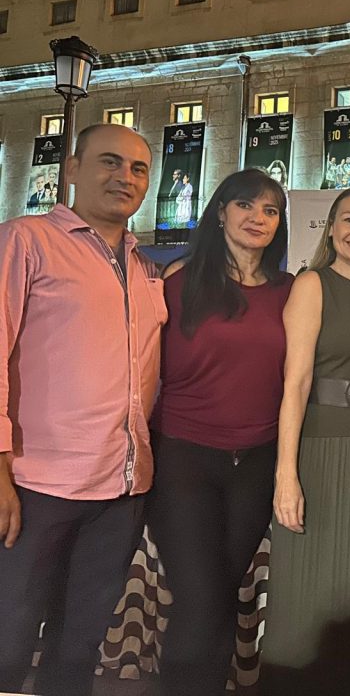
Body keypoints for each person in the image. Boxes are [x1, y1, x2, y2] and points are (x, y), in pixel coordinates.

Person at [0, 124, 164, 696]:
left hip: (121, 489)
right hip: (36, 484)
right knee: (8, 638)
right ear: (71, 169)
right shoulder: (25, 240)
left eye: (138, 168)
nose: (125, 177)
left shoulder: (145, 267)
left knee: (79, 646)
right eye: (109, 162)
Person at [146, 169, 291, 696]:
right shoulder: (178, 283)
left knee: (224, 593)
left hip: (256, 462)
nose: (258, 218)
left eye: (270, 210)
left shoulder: (290, 292)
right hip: (184, 457)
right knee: (200, 595)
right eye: (246, 205)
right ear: (221, 212)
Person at [262, 187, 350, 694]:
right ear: (330, 228)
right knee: (312, 580)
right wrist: (286, 475)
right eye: (349, 220)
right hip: (324, 453)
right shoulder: (311, 284)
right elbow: (296, 383)